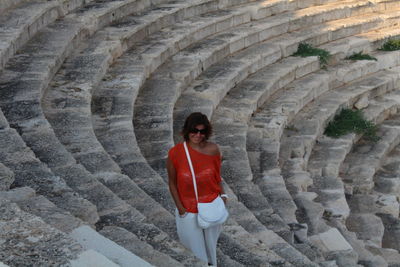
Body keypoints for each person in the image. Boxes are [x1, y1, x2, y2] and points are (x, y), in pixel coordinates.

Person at [167, 112, 227, 266]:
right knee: (196, 251)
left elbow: (217, 176)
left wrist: (224, 196)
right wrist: (181, 209)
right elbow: (172, 183)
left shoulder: (213, 149)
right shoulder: (175, 153)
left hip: (211, 204)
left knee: (210, 248)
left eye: (202, 131)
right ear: (187, 130)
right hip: (188, 208)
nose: (198, 135)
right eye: (194, 130)